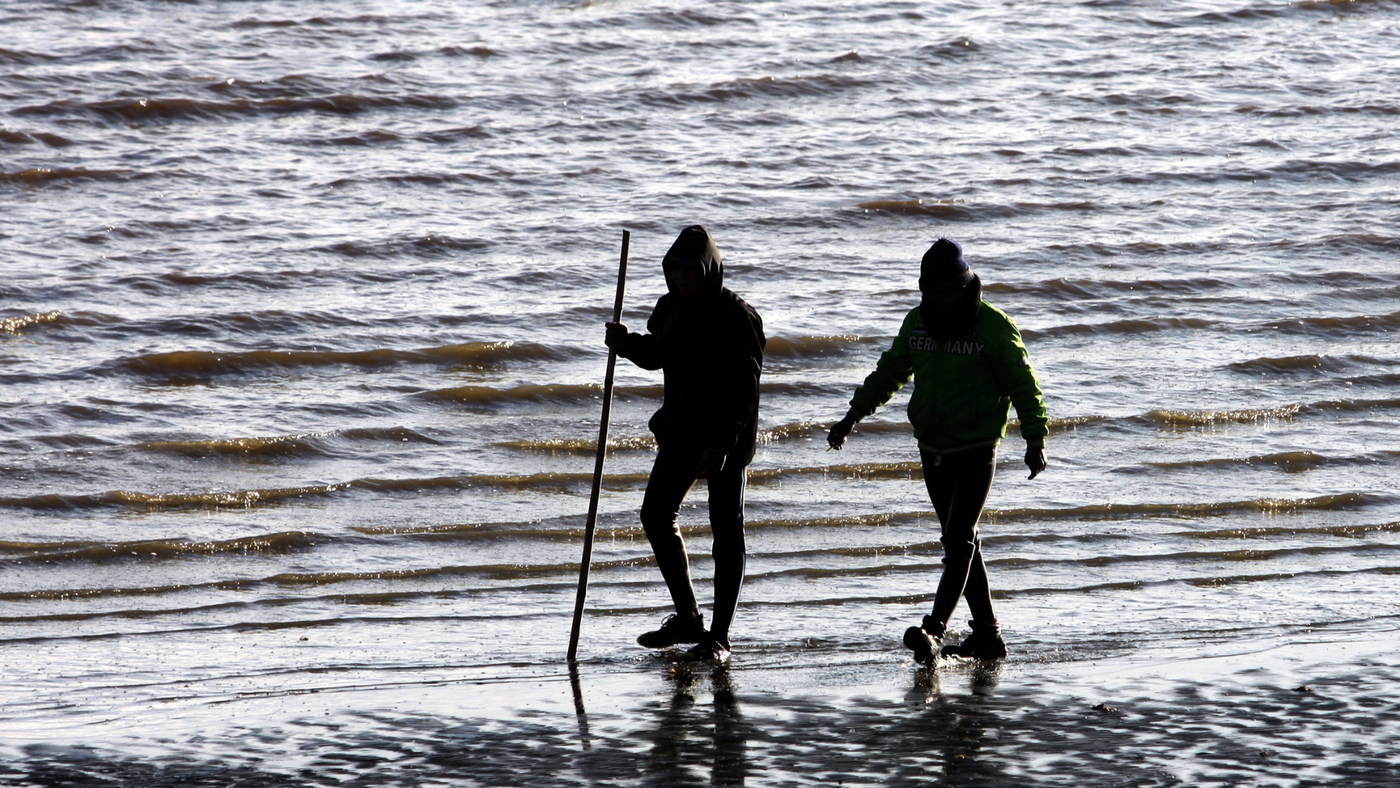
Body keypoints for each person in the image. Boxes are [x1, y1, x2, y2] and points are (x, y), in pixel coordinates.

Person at [827, 238, 1048, 664]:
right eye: (933, 292)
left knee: (958, 539)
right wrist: (852, 417)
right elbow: (889, 372)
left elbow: (1025, 385)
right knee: (963, 544)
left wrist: (1035, 440)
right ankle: (987, 635)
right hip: (932, 450)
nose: (942, 300)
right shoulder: (918, 323)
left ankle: (933, 629)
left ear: (966, 287)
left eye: (949, 292)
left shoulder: (994, 328)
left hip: (977, 449)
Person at [605, 225, 765, 662]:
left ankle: (719, 636)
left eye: (690, 271)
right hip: (680, 429)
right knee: (656, 513)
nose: (682, 278)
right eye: (675, 271)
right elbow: (660, 353)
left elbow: (745, 388)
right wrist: (626, 345)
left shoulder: (736, 315)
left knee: (725, 533)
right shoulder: (670, 307)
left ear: (707, 269)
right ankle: (688, 617)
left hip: (725, 440)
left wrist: (723, 443)